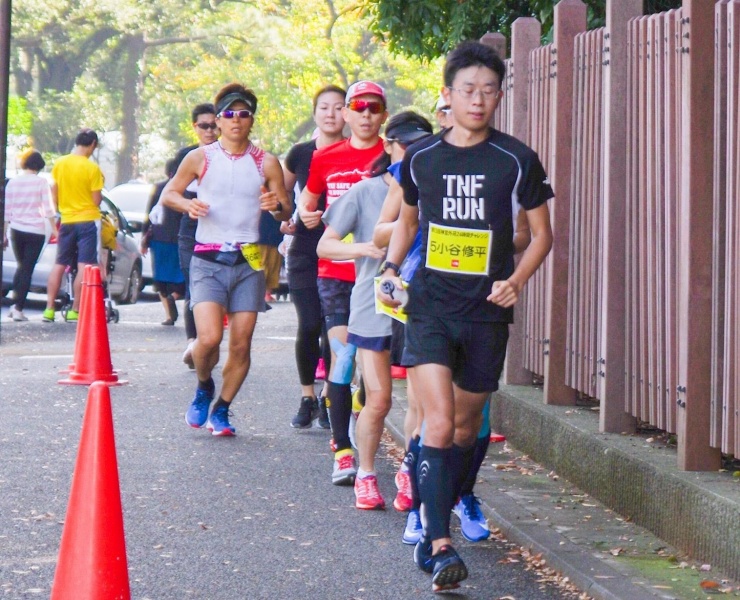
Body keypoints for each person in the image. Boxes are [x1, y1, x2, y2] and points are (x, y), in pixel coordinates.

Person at [377, 41, 553, 591]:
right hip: (429, 305)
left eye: (489, 91)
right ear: (447, 95)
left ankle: (436, 505)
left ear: (499, 96)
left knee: (462, 428)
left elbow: (542, 236)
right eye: (468, 90)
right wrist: (390, 269)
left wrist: (516, 281)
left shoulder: (516, 159)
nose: (478, 100)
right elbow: (407, 223)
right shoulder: (422, 157)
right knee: (436, 420)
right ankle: (438, 542)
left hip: (485, 312)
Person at [317, 111, 432, 510]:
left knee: (420, 401)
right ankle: (365, 473)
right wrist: (363, 247)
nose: (413, 152)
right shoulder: (366, 190)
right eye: (406, 145)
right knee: (379, 399)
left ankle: (408, 470)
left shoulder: (436, 184)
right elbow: (325, 244)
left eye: (421, 144)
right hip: (373, 302)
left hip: (420, 302)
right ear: (389, 145)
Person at [162, 83, 291, 436]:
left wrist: (276, 207)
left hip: (248, 260)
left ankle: (222, 408)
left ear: (252, 120)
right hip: (207, 258)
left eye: (243, 114)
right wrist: (187, 204)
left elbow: (285, 210)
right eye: (229, 114)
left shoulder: (266, 161)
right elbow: (169, 194)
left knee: (241, 342)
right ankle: (204, 385)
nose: (236, 120)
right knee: (207, 339)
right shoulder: (200, 157)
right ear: (218, 120)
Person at [298, 80, 387, 484]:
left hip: (379, 276)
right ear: (347, 114)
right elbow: (308, 201)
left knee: (371, 372)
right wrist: (305, 214)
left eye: (374, 108)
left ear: (383, 115)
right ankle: (343, 449)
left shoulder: (392, 156)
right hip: (335, 272)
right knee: (344, 357)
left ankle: (360, 423)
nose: (366, 115)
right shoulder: (324, 157)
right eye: (359, 107)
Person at [282, 85, 346, 430]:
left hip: (344, 251)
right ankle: (307, 395)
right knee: (309, 324)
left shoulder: (359, 153)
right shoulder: (300, 153)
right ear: (315, 112)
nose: (331, 114)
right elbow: (282, 196)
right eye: (324, 107)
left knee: (331, 328)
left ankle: (328, 396)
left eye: (338, 107)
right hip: (306, 249)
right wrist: (284, 218)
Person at [43, 129, 105, 323]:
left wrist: (62, 209)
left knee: (59, 264)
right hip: (88, 221)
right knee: (84, 265)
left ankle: (49, 309)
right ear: (93, 144)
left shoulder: (60, 163)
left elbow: (54, 193)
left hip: (67, 220)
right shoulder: (92, 168)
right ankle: (75, 309)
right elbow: (96, 201)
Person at [176, 103, 219, 367]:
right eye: (204, 126)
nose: (210, 130)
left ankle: (208, 340)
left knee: (215, 290)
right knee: (193, 285)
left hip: (222, 229)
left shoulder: (230, 155)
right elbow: (172, 194)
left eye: (214, 125)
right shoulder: (187, 156)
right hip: (191, 228)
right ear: (195, 127)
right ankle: (193, 342)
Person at [3, 150, 55, 321]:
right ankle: (18, 308)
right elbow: (48, 209)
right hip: (35, 231)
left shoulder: (13, 182)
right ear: (39, 166)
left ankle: (14, 305)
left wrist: (4, 233)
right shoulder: (41, 182)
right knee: (27, 268)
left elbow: (7, 211)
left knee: (21, 267)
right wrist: (54, 229)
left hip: (16, 230)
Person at [140, 159, 186, 326]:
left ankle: (168, 315)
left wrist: (144, 239)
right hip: (181, 238)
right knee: (182, 275)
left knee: (161, 277)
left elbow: (149, 214)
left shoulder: (159, 188)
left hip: (159, 238)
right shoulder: (187, 189)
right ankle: (174, 296)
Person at [258, 211, 283, 302]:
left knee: (274, 262)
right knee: (261, 263)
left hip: (276, 227)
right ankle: (260, 293)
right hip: (259, 228)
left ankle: (267, 292)